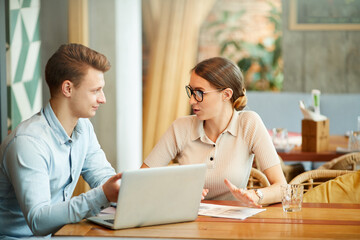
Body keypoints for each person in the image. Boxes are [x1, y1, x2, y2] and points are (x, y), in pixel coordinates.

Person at [0, 43, 121, 238]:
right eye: (95, 90)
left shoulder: (83, 128)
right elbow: (38, 221)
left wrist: (125, 191)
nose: (103, 99)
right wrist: (103, 194)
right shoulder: (28, 143)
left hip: (60, 236)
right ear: (67, 88)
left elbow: (103, 177)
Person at [142, 57, 287, 207]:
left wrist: (256, 195)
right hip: (188, 222)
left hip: (235, 225)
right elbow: (141, 181)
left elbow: (283, 188)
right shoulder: (181, 127)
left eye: (199, 92)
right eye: (191, 91)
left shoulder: (249, 123)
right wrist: (178, 192)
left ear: (226, 94)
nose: (192, 100)